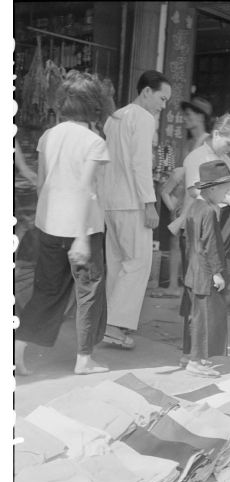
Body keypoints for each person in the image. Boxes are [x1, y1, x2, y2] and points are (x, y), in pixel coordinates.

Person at [15, 71, 112, 376]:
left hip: (49, 226)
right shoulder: (94, 142)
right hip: (82, 229)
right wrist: (82, 238)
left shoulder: (49, 136)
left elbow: (42, 182)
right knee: (89, 292)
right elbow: (85, 188)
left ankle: (17, 352)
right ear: (94, 103)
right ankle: (84, 360)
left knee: (46, 290)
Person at [102, 70, 172, 349]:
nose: (163, 106)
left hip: (111, 202)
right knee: (137, 264)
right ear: (146, 92)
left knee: (117, 264)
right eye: (162, 98)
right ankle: (113, 327)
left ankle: (107, 322)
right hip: (132, 202)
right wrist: (150, 202)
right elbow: (140, 164)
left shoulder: (114, 117)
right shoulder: (143, 118)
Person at [169, 113, 230, 368]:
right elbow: (194, 190)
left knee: (203, 302)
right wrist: (228, 199)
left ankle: (193, 353)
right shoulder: (198, 158)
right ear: (216, 134)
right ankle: (194, 354)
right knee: (200, 303)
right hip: (199, 234)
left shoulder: (223, 159)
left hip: (212, 231)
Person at [182, 161, 230, 377]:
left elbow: (191, 242)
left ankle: (188, 355)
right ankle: (196, 361)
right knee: (205, 319)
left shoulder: (194, 207)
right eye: (226, 188)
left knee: (193, 316)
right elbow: (210, 244)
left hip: (193, 271)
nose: (229, 191)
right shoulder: (208, 212)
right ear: (212, 188)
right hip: (205, 274)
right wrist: (217, 273)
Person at [157, 97, 213, 298]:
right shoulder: (192, 142)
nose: (185, 119)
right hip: (184, 199)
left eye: (189, 115)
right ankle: (174, 285)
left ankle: (191, 287)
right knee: (177, 243)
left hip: (196, 200)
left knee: (191, 245)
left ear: (200, 116)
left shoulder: (207, 141)